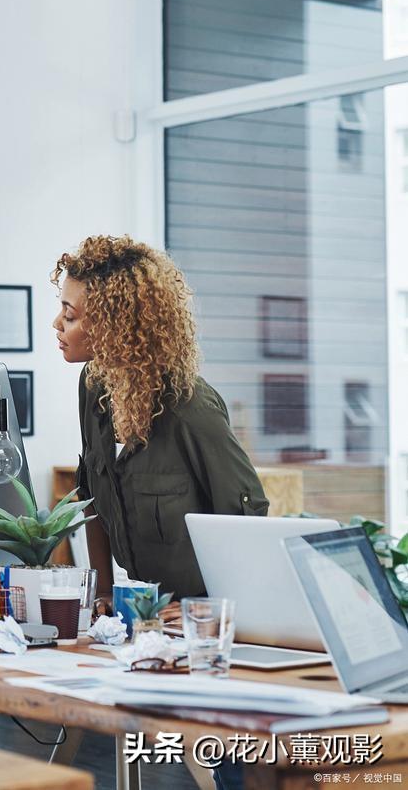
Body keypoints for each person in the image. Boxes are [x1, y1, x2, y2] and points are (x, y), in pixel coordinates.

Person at [51, 235, 269, 600]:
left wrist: (212, 613)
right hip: (144, 614)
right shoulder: (93, 388)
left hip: (200, 617)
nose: (57, 323)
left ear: (113, 325)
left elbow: (245, 522)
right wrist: (101, 598)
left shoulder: (191, 408)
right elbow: (90, 499)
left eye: (70, 315)